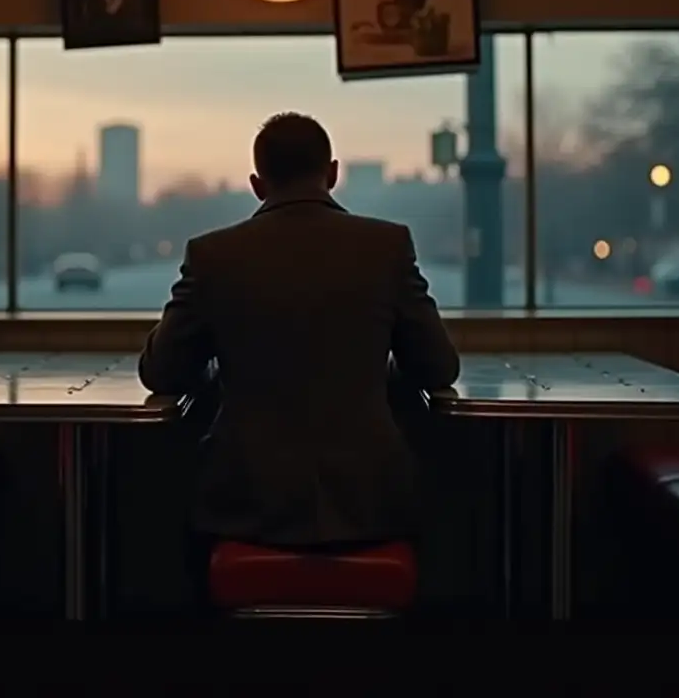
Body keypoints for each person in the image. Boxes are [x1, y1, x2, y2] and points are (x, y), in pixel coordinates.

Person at [137, 111, 460, 608]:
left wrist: (224, 361)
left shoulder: (212, 255)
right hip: (371, 499)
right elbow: (439, 368)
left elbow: (161, 373)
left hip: (244, 500)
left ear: (256, 184)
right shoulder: (387, 246)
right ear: (332, 173)